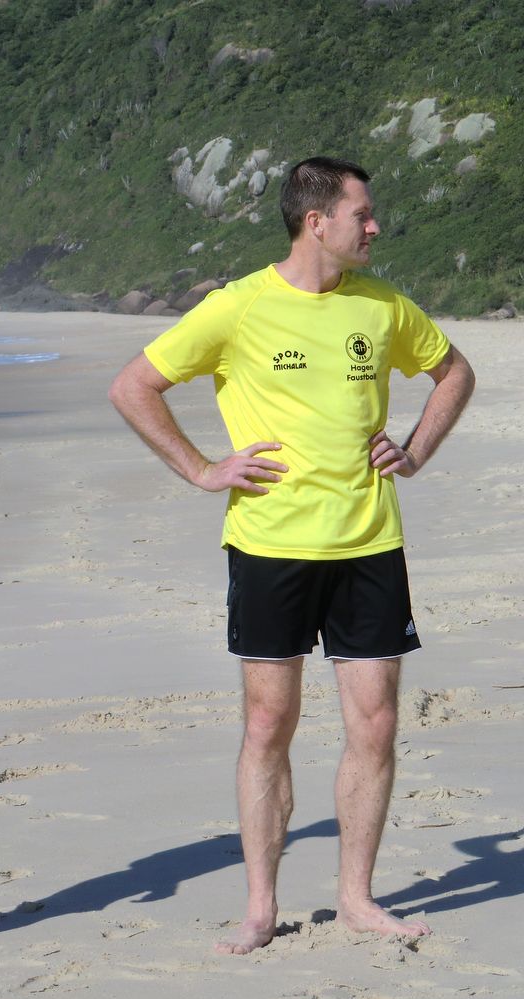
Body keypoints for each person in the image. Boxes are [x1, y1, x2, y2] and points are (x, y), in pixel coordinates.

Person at [108, 157, 475, 955]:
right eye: (362, 214)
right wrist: (202, 469)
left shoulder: (382, 305)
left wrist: (414, 450)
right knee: (269, 722)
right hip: (270, 546)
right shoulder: (238, 307)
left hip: (369, 543)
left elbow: (454, 373)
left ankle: (356, 899)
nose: (375, 226)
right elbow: (134, 386)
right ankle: (260, 907)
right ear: (317, 222)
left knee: (375, 725)